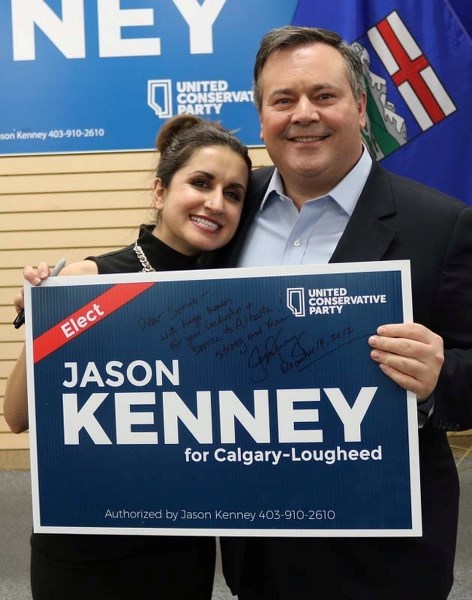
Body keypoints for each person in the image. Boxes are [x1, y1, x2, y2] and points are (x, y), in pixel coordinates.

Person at [214, 26, 472, 600]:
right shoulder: (226, 209)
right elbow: (155, 268)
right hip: (257, 550)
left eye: (323, 96)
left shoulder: (441, 224)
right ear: (261, 117)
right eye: (283, 99)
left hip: (383, 561)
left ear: (360, 107)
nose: (303, 113)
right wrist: (79, 274)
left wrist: (439, 378)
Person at [4, 114, 252, 600]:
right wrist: (45, 314)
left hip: (181, 546)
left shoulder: (236, 295)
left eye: (234, 193)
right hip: (86, 546)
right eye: (200, 182)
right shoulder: (87, 282)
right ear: (160, 192)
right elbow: (15, 417)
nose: (215, 202)